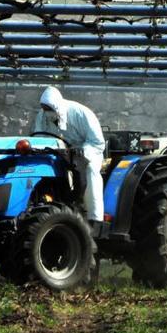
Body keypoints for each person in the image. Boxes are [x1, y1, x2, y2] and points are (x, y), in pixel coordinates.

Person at [33, 86, 106, 229]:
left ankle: (94, 218)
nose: (46, 112)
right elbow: (40, 138)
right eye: (44, 108)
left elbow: (97, 142)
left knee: (90, 170)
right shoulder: (42, 116)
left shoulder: (81, 113)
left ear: (57, 106)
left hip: (86, 152)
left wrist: (81, 152)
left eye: (48, 108)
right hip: (59, 153)